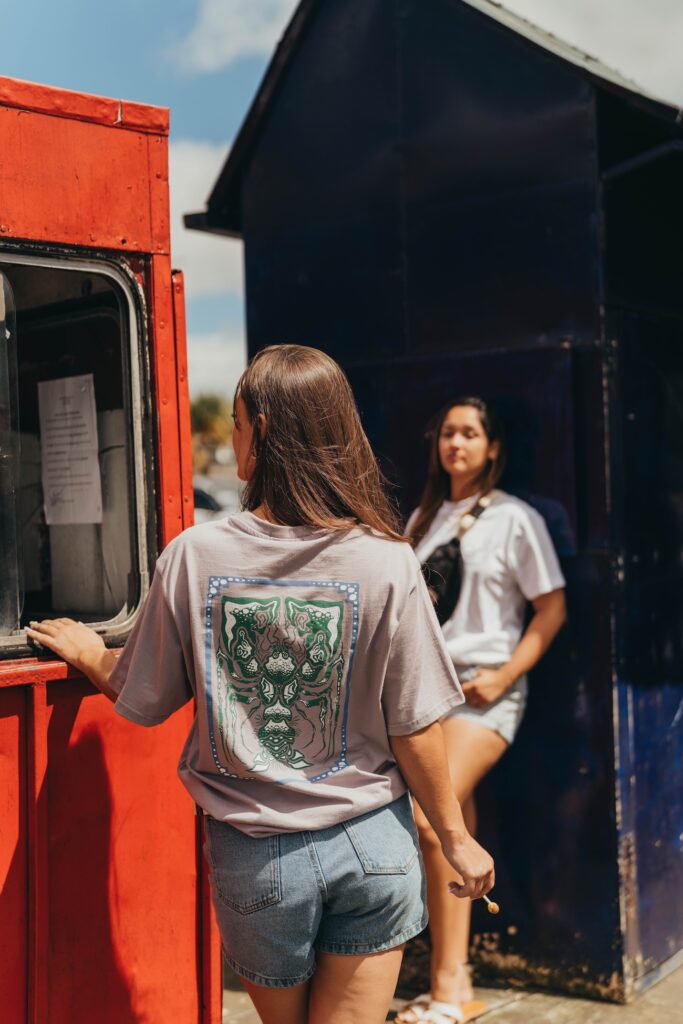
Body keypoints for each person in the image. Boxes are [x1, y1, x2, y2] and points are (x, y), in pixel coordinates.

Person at [27, 347, 495, 1024]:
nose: (234, 437)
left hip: (258, 854)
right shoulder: (389, 560)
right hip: (374, 845)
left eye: (239, 423)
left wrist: (90, 653)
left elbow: (147, 698)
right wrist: (454, 837)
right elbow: (413, 722)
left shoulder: (193, 555)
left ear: (263, 430)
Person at [397, 397, 566, 1024]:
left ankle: (448, 984)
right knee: (450, 826)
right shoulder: (423, 517)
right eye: (447, 432)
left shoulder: (515, 519)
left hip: (481, 695)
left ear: (492, 447)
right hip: (424, 694)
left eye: (469, 433)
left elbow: (552, 608)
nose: (456, 444)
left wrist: (505, 675)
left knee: (427, 819)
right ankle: (453, 986)